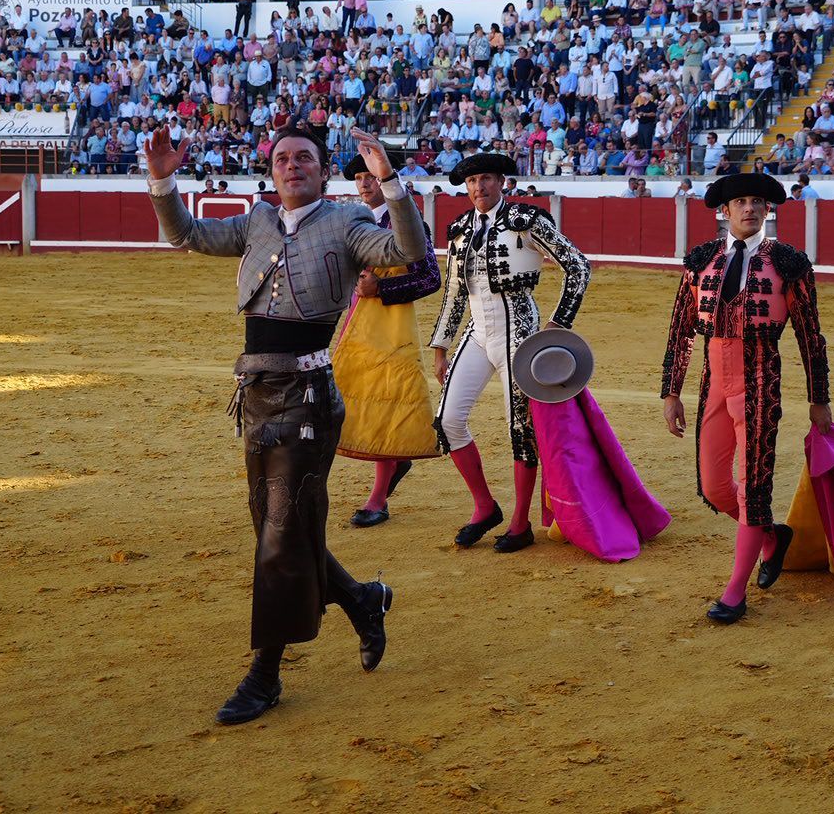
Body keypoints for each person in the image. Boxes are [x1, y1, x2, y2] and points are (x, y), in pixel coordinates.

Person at [141, 122, 427, 726]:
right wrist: (164, 180)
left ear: (323, 171)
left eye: (304, 159)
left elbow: (408, 253)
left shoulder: (349, 224)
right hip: (256, 394)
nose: (292, 166)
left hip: (308, 399)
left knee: (278, 536)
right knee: (283, 530)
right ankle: (362, 599)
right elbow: (184, 236)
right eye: (282, 159)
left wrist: (391, 184)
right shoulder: (255, 221)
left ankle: (265, 675)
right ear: (271, 171)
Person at [659, 172, 831, 624]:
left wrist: (819, 398)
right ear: (725, 210)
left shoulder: (789, 263)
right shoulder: (701, 260)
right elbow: (680, 330)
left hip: (760, 379)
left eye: (758, 201)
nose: (750, 208)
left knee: (754, 486)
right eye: (741, 202)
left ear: (768, 209)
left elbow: (810, 336)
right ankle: (773, 537)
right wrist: (671, 391)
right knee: (715, 488)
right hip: (715, 379)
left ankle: (735, 590)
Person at [428, 151, 591, 553]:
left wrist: (559, 323)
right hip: (478, 332)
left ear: (502, 182)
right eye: (471, 182)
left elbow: (579, 266)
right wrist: (440, 345)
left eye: (486, 179)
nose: (479, 187)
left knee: (521, 429)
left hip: (520, 331)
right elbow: (453, 291)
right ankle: (485, 507)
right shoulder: (460, 229)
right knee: (447, 421)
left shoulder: (527, 220)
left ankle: (520, 523)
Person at [332, 153, 443, 527]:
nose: (364, 183)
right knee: (350, 399)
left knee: (385, 406)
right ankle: (394, 463)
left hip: (393, 328)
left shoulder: (408, 224)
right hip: (357, 325)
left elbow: (430, 278)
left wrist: (382, 287)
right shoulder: (351, 222)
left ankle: (378, 497)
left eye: (371, 176)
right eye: (359, 178)